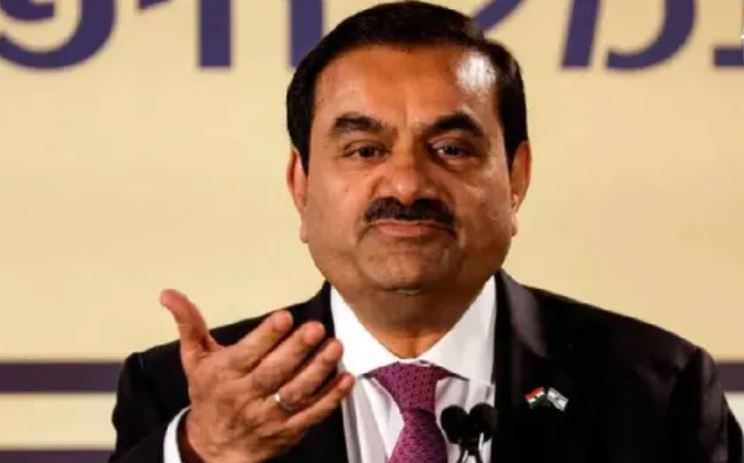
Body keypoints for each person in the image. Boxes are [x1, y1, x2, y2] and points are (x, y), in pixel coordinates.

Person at [108, 2, 743, 462]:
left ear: (516, 177)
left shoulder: (655, 387)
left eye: (451, 149)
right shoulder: (185, 397)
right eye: (364, 150)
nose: (408, 184)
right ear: (301, 185)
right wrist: (202, 451)